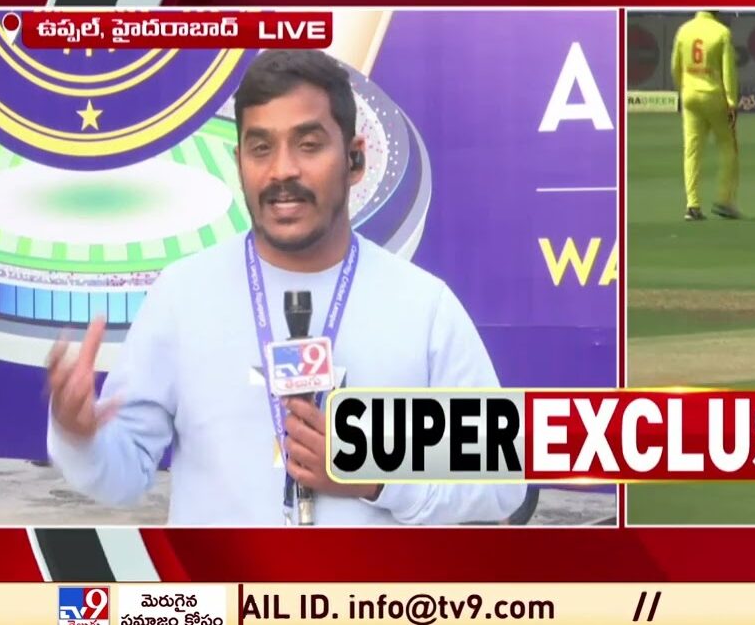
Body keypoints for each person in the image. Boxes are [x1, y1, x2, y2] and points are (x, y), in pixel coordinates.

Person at [44, 49, 529, 526]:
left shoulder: (424, 307)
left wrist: (376, 478)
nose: (282, 170)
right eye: (261, 148)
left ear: (355, 159)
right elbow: (123, 474)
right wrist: (80, 438)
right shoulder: (182, 295)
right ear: (239, 162)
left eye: (309, 144)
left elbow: (502, 484)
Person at [671, 10, 741, 221]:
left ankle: (692, 205)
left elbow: (675, 66)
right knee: (728, 147)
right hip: (714, 97)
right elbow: (728, 72)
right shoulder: (721, 32)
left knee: (692, 151)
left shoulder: (684, 30)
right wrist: (731, 101)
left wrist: (683, 89)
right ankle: (724, 200)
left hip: (690, 96)